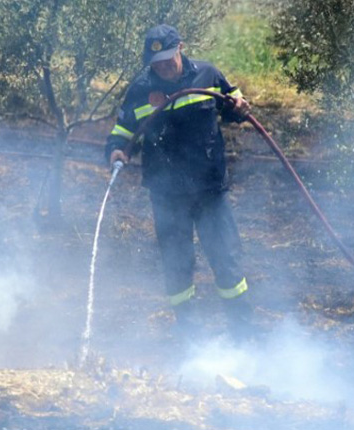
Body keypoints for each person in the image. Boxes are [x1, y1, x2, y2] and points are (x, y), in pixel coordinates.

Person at [105, 24, 253, 340]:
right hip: (167, 194)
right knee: (177, 266)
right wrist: (116, 150)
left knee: (227, 260)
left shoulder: (208, 75)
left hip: (209, 190)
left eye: (167, 58)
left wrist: (240, 107)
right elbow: (123, 130)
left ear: (180, 49)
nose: (161, 66)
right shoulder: (139, 90)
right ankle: (190, 339)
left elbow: (234, 103)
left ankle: (244, 335)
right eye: (155, 61)